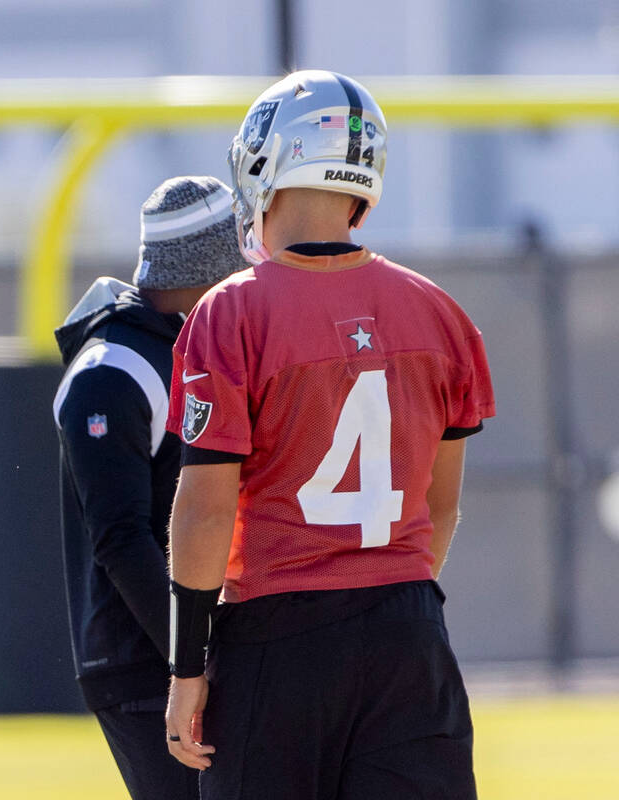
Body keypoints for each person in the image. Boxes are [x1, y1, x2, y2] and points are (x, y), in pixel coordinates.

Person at [163, 71, 495, 799]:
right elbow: (441, 507)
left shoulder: (230, 314)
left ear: (265, 159)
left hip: (280, 636)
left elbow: (207, 510)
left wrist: (188, 667)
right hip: (409, 626)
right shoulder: (440, 313)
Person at [53, 175, 244, 800]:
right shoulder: (113, 370)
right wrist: (194, 659)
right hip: (143, 663)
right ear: (208, 263)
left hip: (184, 653)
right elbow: (121, 540)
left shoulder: (184, 344)